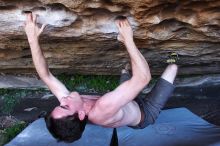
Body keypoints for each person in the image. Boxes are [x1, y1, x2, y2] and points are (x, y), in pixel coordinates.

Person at [24, 13, 178, 143]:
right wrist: (128, 39)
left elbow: (45, 75)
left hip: (126, 101)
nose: (62, 100)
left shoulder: (71, 103)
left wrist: (32, 38)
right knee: (172, 68)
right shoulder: (103, 108)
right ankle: (170, 59)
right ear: (81, 114)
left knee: (126, 71)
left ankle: (125, 70)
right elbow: (143, 79)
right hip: (146, 112)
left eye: (60, 105)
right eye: (65, 106)